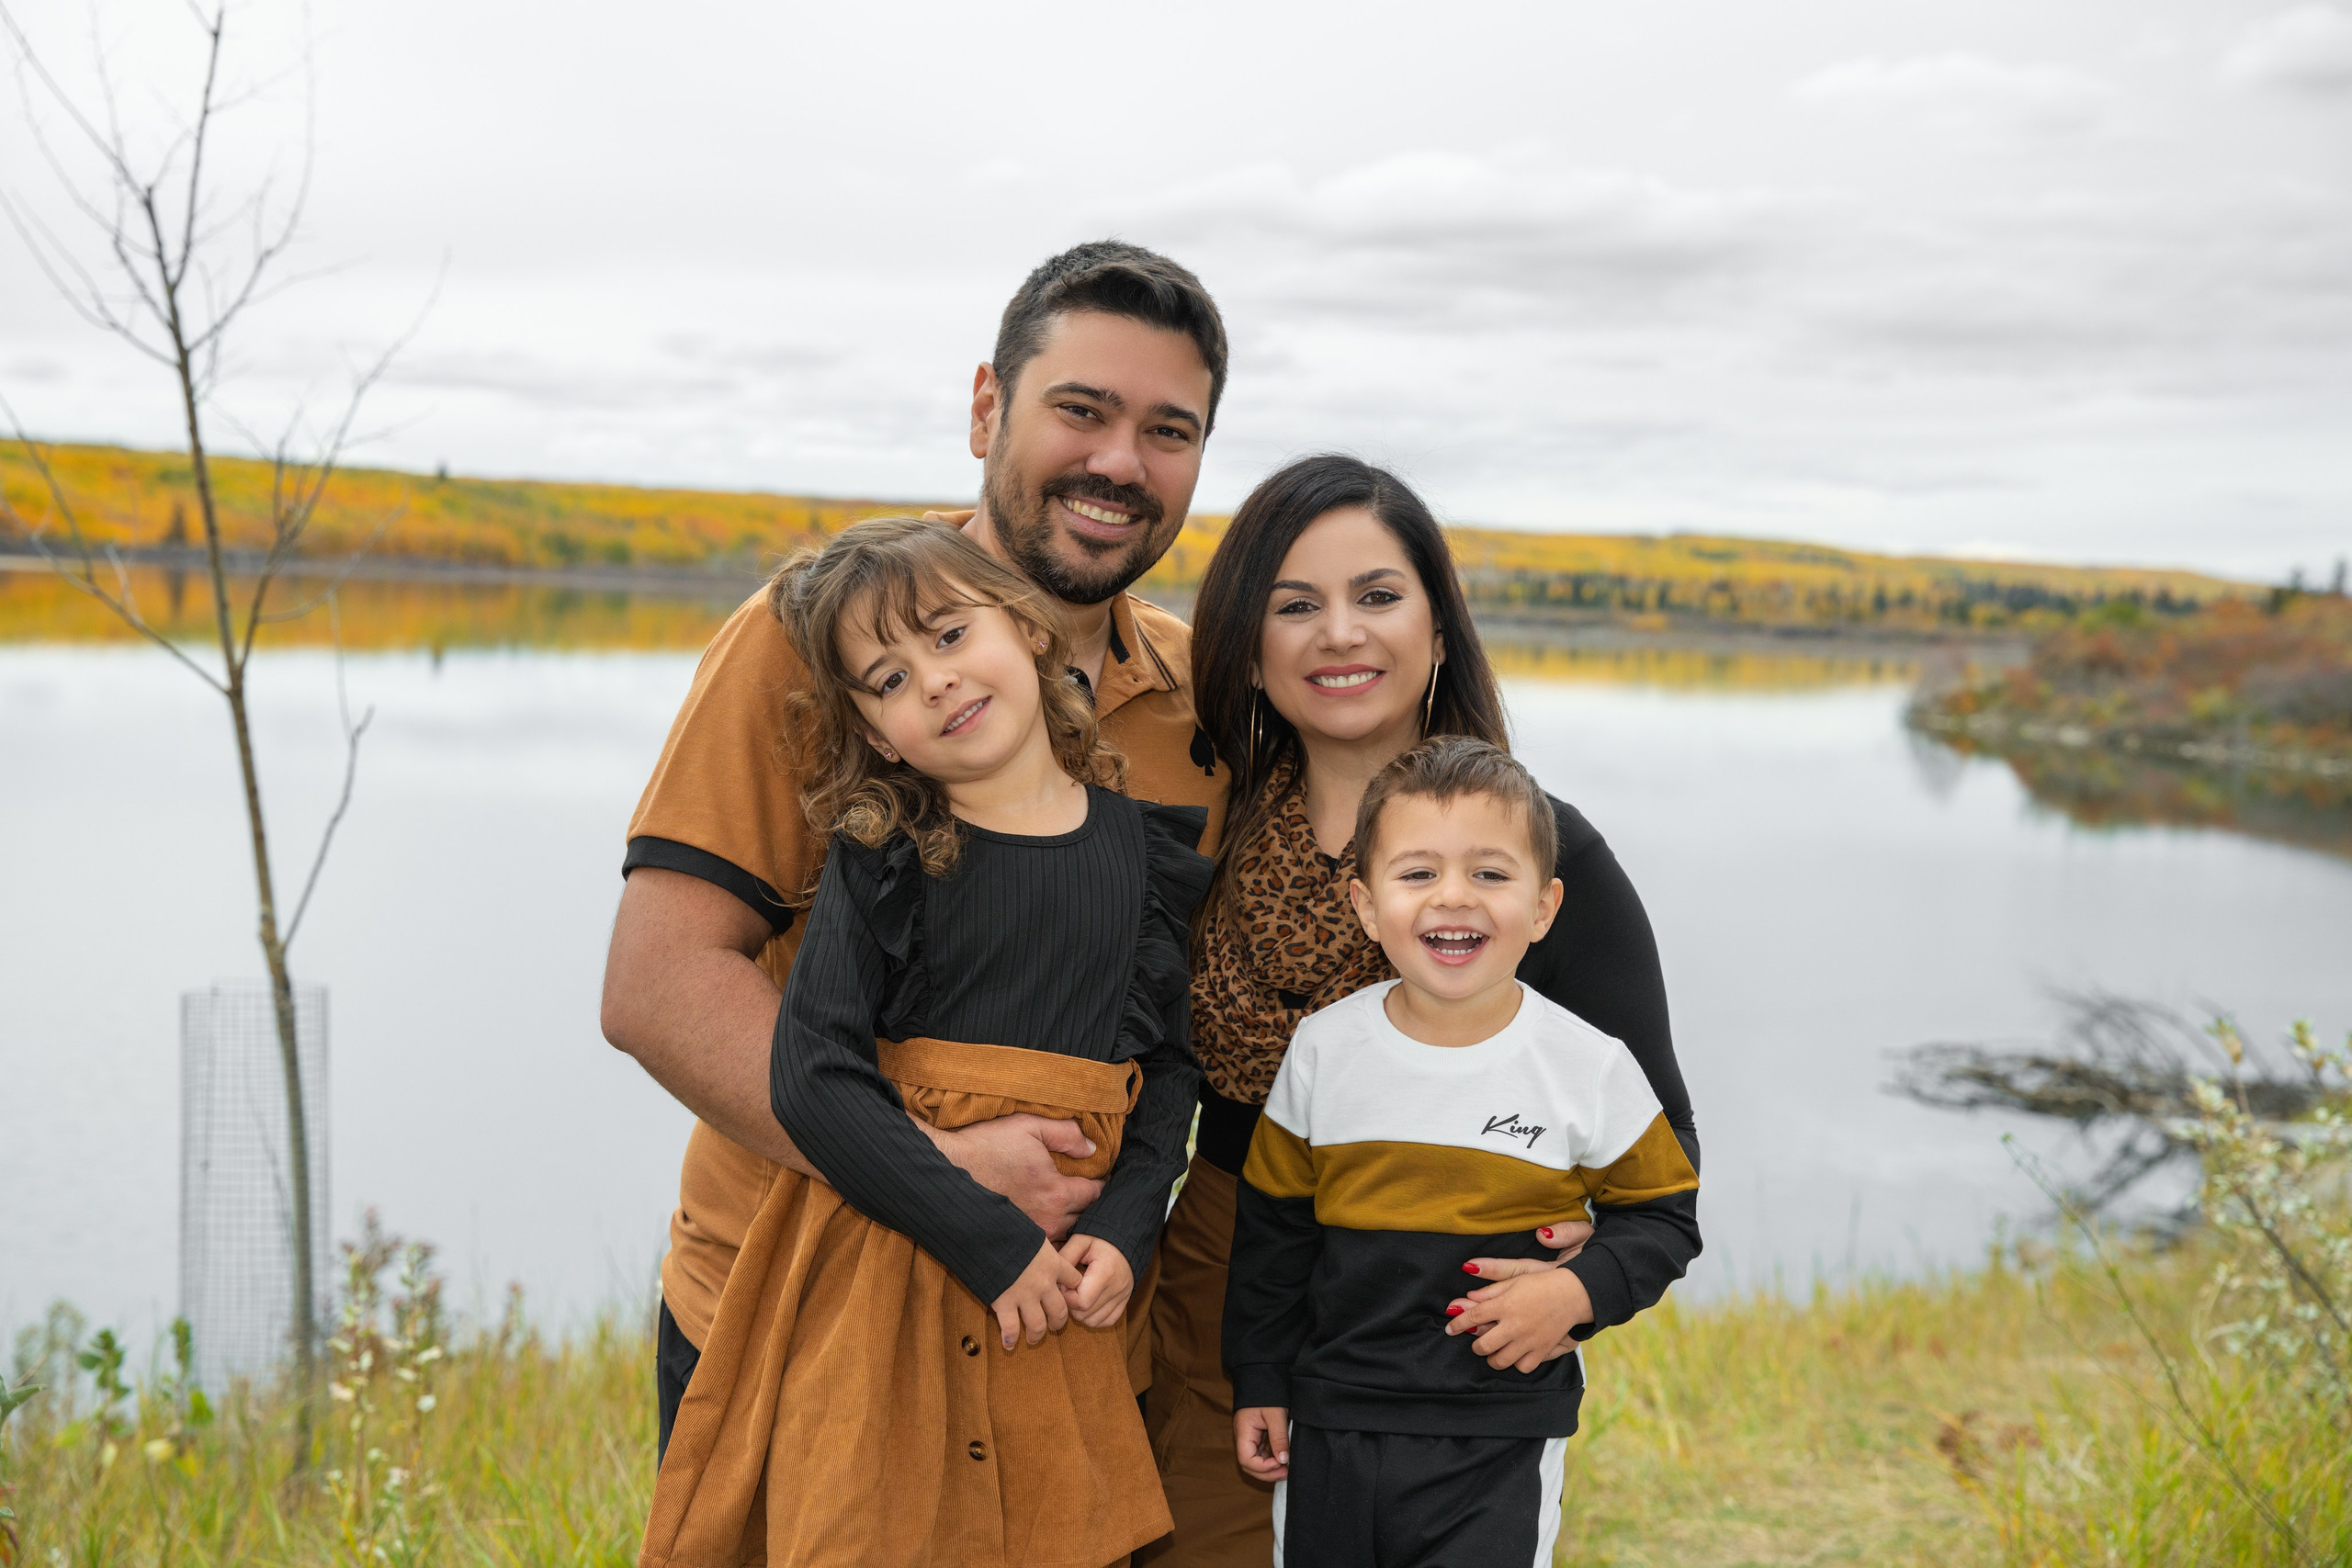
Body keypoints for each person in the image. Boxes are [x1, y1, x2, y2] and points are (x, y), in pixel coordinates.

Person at [601, 243, 1229, 1483]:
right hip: (801, 1329)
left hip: (1063, 1349)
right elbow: (660, 982)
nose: (1120, 461)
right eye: (1082, 410)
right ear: (989, 405)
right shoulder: (816, 641)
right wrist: (932, 1170)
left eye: (1169, 429)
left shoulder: (1203, 701)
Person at [1141, 455, 1700, 1564]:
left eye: (1377, 597)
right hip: (1227, 1274)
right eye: (1294, 605)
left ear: (1439, 632)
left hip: (1440, 1336)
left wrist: (1580, 1281)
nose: (1338, 632)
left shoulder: (1540, 855)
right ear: (1248, 648)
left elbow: (1657, 1146)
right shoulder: (1205, 825)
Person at [640, 518, 1208, 1566]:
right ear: (876, 733)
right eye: (889, 679)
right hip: (883, 1270)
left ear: (1030, 632)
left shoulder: (1143, 854)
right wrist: (985, 1239)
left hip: (1062, 1299)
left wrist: (1126, 1230)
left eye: (949, 636)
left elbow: (1168, 1072)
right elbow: (813, 1077)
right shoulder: (884, 854)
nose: (936, 683)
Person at [1224, 737, 1702, 1566]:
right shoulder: (1322, 1049)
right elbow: (1275, 1236)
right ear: (1367, 905)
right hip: (1333, 1420)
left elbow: (1663, 1217)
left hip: (1499, 1433)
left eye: (1490, 873)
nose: (1454, 898)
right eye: (1417, 874)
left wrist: (1579, 1292)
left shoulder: (1589, 1064)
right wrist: (1261, 1378)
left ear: (1546, 907)